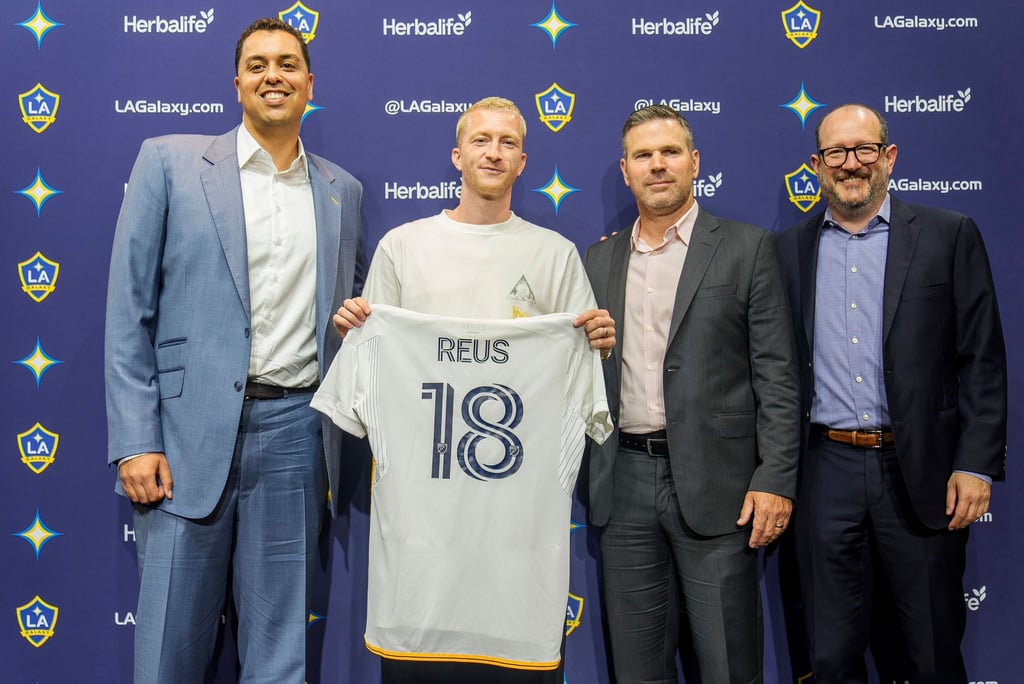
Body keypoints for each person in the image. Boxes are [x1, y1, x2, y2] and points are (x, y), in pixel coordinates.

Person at [104, 17, 366, 683]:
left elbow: (350, 315)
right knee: (167, 654)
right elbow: (128, 310)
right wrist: (136, 438)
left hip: (297, 435)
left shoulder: (343, 191)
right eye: (257, 65)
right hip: (184, 443)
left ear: (310, 83)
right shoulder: (168, 163)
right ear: (237, 82)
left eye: (286, 64)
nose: (272, 76)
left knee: (279, 657)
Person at [330, 96, 615, 684]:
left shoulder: (554, 254)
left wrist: (596, 343)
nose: (494, 151)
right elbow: (373, 373)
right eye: (481, 140)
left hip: (516, 547)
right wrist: (359, 331)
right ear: (457, 155)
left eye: (507, 142)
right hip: (424, 552)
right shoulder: (403, 247)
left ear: (523, 160)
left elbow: (581, 381)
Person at [776, 103, 1007, 682]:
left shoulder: (949, 235)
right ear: (816, 165)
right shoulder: (785, 252)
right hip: (823, 469)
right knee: (829, 654)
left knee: (930, 650)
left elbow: (983, 360)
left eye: (864, 149)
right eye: (836, 152)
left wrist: (975, 465)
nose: (851, 164)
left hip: (922, 472)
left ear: (889, 156)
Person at [583, 104, 800, 683]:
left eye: (670, 152)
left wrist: (776, 476)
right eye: (643, 156)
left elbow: (778, 374)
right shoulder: (597, 260)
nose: (658, 165)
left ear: (695, 162)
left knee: (729, 666)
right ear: (625, 171)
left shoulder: (747, 249)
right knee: (637, 669)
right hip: (622, 483)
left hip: (721, 485)